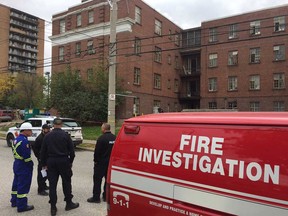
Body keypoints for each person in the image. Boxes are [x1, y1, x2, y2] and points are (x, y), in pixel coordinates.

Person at [40, 118, 79, 216]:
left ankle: (53, 207)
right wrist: (70, 162)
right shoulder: (66, 136)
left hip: (51, 161)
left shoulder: (47, 136)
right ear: (61, 124)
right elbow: (72, 152)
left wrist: (44, 164)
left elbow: (43, 152)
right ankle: (68, 203)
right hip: (63, 161)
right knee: (66, 182)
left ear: (53, 125)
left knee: (52, 185)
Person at [87, 123, 116, 203]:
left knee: (97, 180)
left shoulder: (101, 138)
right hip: (110, 164)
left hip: (101, 163)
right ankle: (106, 196)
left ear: (104, 129)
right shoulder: (114, 138)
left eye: (101, 128)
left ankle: (96, 197)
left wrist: (95, 161)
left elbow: (97, 152)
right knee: (108, 180)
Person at [10, 122, 34, 212]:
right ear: (26, 131)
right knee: (23, 184)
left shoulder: (16, 139)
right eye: (30, 130)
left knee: (16, 183)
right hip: (24, 165)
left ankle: (14, 201)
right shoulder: (24, 141)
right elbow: (27, 157)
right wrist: (31, 165)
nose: (31, 132)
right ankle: (22, 206)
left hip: (17, 164)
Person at [32, 124, 50, 196]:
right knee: (41, 174)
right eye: (46, 129)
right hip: (42, 159)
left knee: (46, 173)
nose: (48, 130)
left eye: (48, 129)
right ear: (43, 129)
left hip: (47, 158)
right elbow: (35, 149)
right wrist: (39, 157)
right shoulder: (40, 138)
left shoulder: (47, 136)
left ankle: (44, 185)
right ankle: (40, 189)